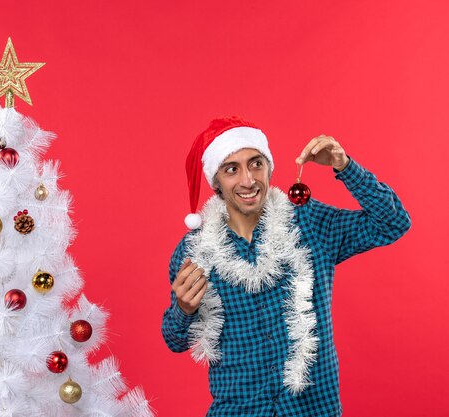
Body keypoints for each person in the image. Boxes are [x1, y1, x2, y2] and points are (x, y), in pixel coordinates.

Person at [161, 117, 411, 417]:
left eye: (256, 164)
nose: (248, 180)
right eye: (232, 169)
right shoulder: (194, 251)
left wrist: (344, 166)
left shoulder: (310, 223)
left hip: (312, 408)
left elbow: (393, 222)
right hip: (238, 410)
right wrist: (183, 309)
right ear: (216, 181)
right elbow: (174, 341)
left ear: (269, 168)